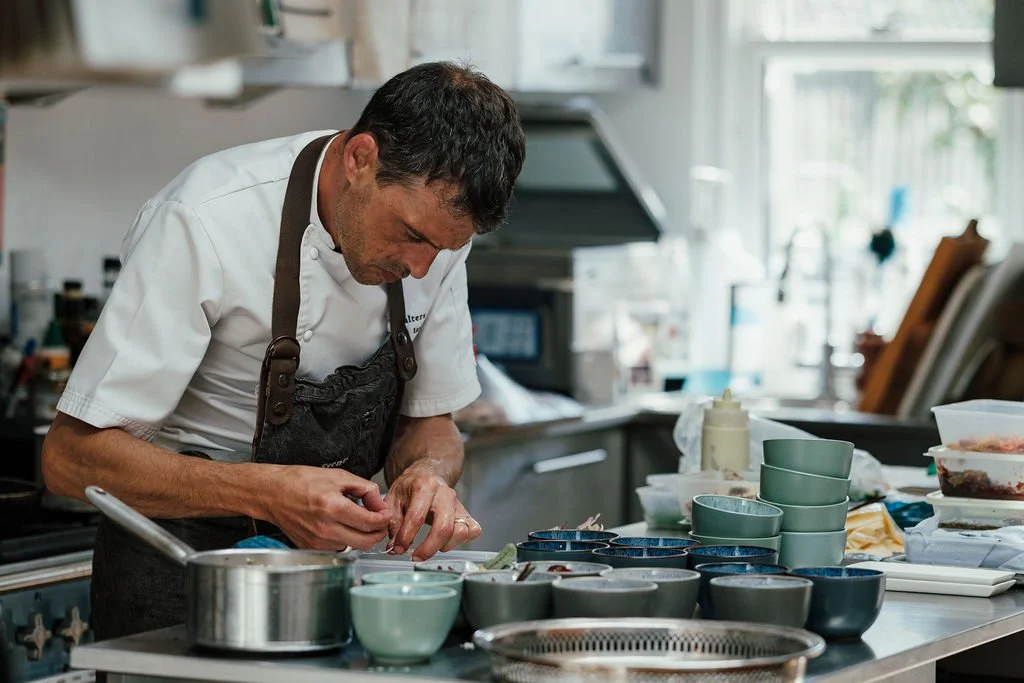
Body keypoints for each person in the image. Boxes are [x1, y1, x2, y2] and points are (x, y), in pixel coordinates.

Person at [41, 61, 526, 640]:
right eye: (412, 236)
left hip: (328, 582)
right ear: (360, 159)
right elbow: (71, 459)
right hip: (182, 577)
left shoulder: (435, 238)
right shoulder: (204, 220)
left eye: (443, 251)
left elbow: (433, 424)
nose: (420, 267)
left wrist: (428, 474)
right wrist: (270, 492)